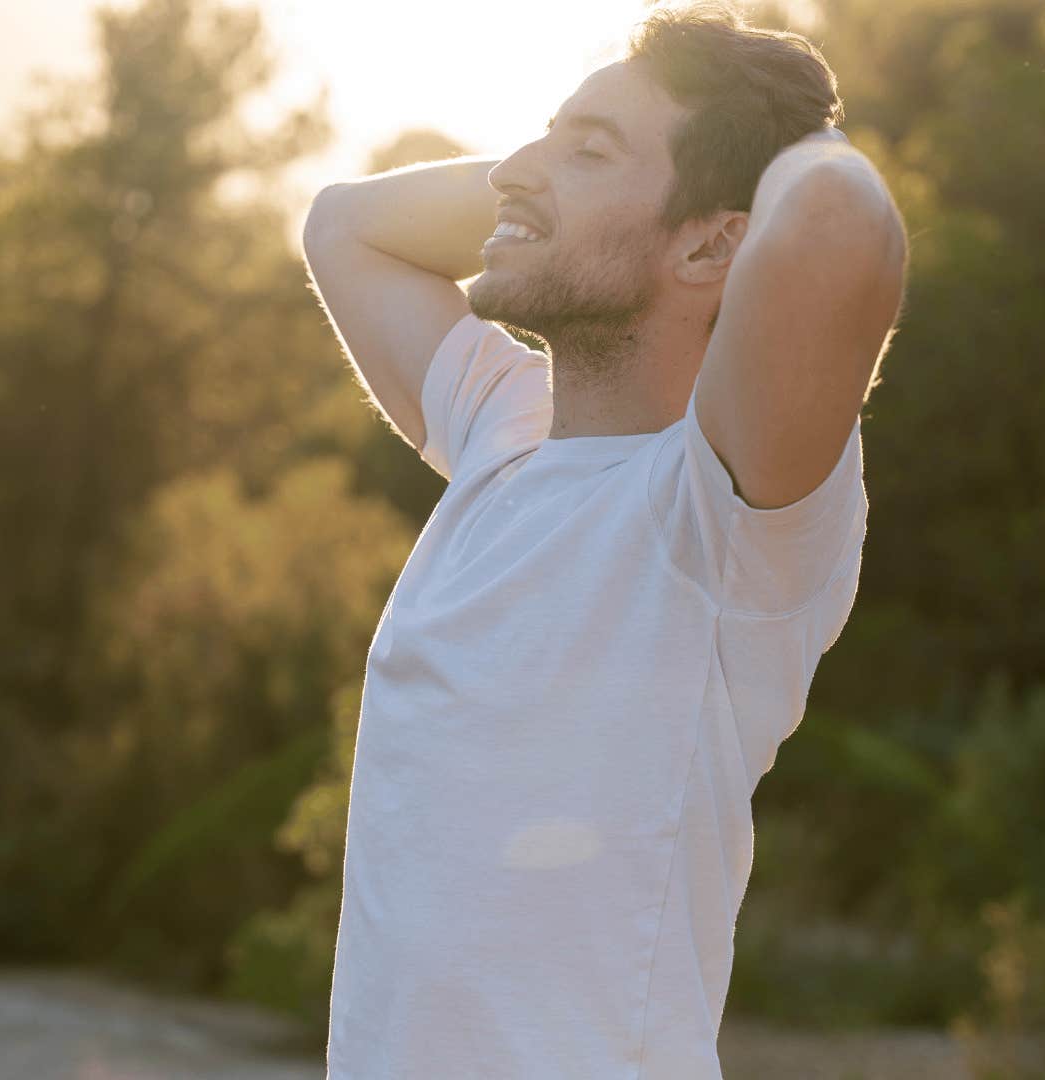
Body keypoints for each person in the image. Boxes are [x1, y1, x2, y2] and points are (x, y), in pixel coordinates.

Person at [300, 3, 907, 1076]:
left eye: (587, 150)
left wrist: (768, 142)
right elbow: (344, 223)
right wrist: (554, 185)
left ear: (718, 239)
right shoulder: (502, 431)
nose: (515, 166)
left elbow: (837, 228)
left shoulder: (720, 512)